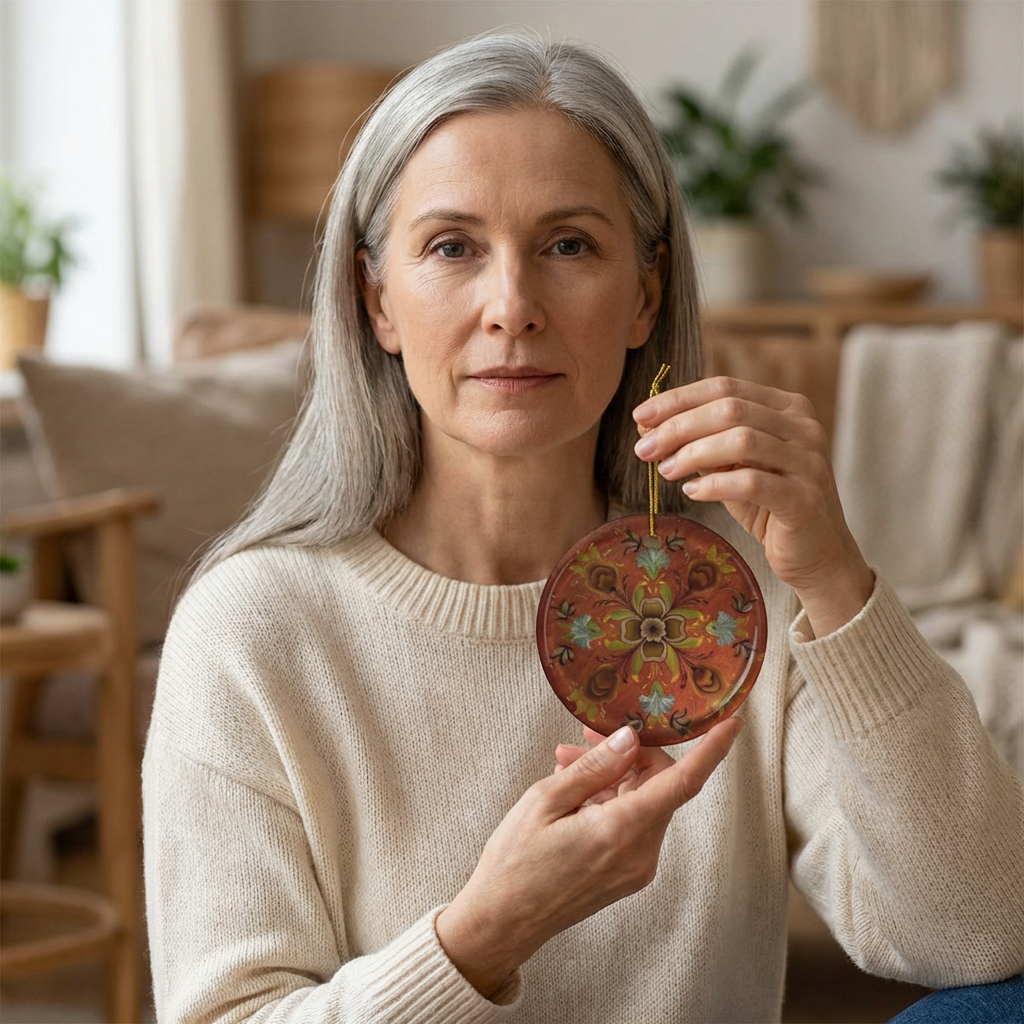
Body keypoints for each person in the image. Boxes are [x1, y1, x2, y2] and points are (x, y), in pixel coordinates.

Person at [143, 32, 1023, 1023]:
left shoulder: (737, 590)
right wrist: (483, 935)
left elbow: (977, 932)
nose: (512, 306)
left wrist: (833, 577)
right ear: (375, 298)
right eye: (451, 247)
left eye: (568, 245)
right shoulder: (251, 628)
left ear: (644, 293)